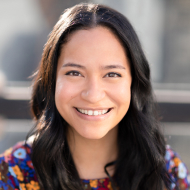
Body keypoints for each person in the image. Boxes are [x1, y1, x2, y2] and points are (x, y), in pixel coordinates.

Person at [0, 3, 189, 190]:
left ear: (134, 83)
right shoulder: (12, 174)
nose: (93, 95)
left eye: (112, 74)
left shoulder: (164, 170)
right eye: (75, 73)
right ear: (51, 80)